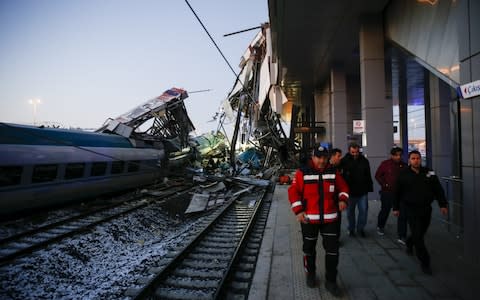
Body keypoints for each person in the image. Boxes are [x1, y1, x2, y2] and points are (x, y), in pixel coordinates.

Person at [288, 145, 349, 296]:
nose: (322, 160)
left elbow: (344, 188)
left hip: (331, 219)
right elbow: (293, 192)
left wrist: (343, 200)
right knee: (309, 250)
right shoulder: (302, 173)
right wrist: (299, 210)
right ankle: (310, 274)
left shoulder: (334, 172)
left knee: (333, 252)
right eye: (319, 157)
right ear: (313, 157)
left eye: (324, 157)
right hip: (309, 220)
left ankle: (331, 281)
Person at [392, 150, 448, 275]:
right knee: (418, 236)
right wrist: (395, 208)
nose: (416, 160)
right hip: (410, 209)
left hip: (426, 209)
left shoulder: (429, 172)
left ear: (420, 159)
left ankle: (409, 242)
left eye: (418, 158)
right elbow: (397, 192)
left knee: (421, 232)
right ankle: (425, 262)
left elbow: (438, 189)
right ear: (409, 160)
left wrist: (442, 204)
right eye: (413, 158)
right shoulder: (403, 174)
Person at [340, 142, 373, 237]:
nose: (355, 154)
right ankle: (351, 229)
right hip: (350, 192)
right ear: (349, 151)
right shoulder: (344, 161)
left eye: (357, 152)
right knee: (350, 213)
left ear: (359, 151)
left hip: (362, 192)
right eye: (353, 152)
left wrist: (369, 188)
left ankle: (360, 229)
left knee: (363, 212)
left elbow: (368, 175)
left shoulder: (364, 161)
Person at [375, 147, 406, 238]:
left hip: (401, 194)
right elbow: (377, 176)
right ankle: (380, 226)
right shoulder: (385, 164)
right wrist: (385, 185)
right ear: (391, 155)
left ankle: (402, 234)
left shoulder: (404, 166)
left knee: (402, 212)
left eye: (400, 155)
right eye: (396, 155)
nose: (398, 157)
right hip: (387, 192)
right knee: (385, 210)